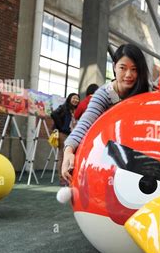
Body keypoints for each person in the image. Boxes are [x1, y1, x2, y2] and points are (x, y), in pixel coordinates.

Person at [61, 43, 150, 182]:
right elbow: (85, 121)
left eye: (134, 69)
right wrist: (68, 150)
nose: (128, 74)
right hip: (109, 153)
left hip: (138, 153)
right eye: (123, 68)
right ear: (114, 67)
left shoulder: (144, 93)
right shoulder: (104, 94)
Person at [50, 92, 80, 185]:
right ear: (69, 99)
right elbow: (53, 114)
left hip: (73, 135)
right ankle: (62, 179)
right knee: (62, 156)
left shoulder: (77, 110)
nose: (75, 100)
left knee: (71, 155)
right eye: (74, 98)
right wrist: (61, 127)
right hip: (64, 134)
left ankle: (69, 177)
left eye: (77, 99)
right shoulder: (64, 107)